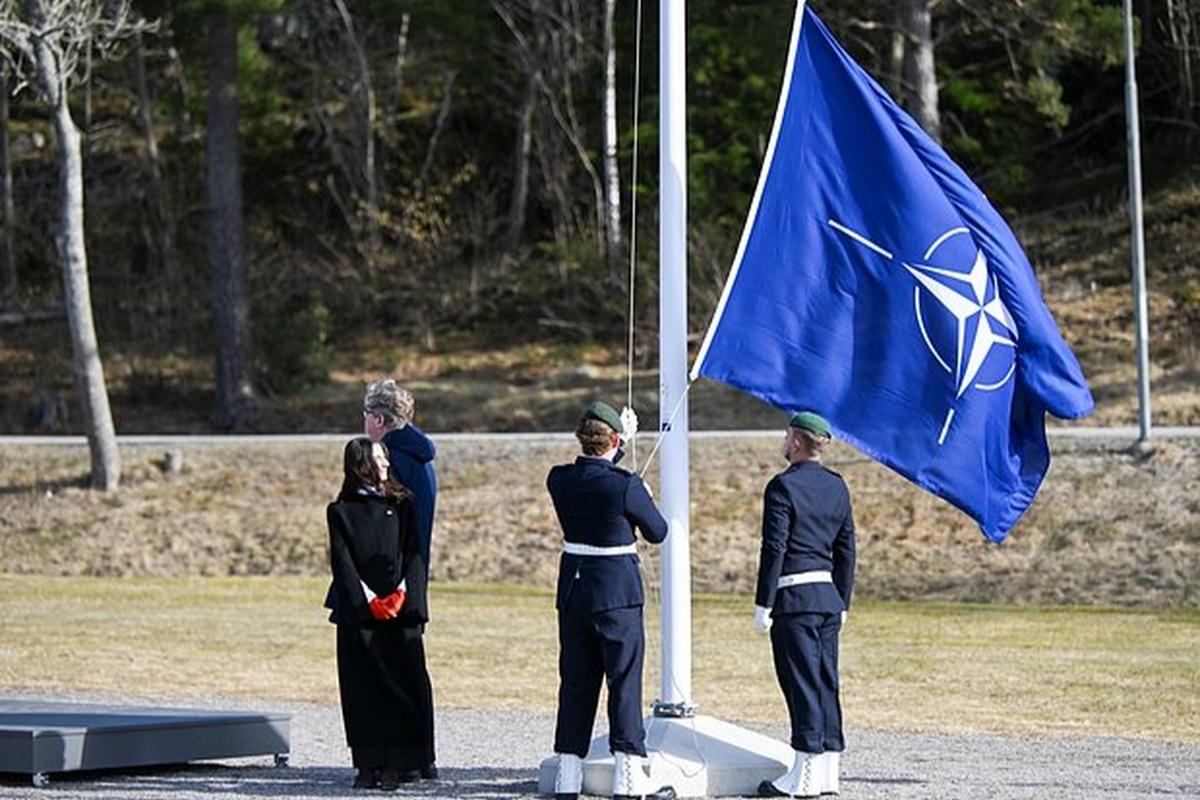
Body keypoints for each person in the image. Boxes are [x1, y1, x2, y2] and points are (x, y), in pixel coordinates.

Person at [546, 401, 676, 800]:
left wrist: (620, 453)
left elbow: (593, 473)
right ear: (614, 439)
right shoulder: (627, 486)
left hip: (574, 591)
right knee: (624, 682)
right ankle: (630, 776)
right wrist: (643, 494)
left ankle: (568, 775)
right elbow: (657, 532)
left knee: (576, 683)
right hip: (616, 594)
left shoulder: (559, 479)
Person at [325, 437, 436, 790]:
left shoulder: (402, 504)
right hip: (361, 612)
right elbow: (342, 562)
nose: (386, 463)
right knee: (363, 688)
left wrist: (403, 595)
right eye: (378, 458)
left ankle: (404, 762)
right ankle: (368, 762)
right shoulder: (340, 510)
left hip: (400, 608)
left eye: (385, 457)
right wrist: (367, 600)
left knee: (402, 684)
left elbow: (414, 554)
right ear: (361, 464)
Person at [755, 412, 856, 799]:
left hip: (794, 599)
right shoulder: (837, 486)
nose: (784, 441)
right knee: (826, 682)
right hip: (828, 598)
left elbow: (775, 547)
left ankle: (805, 776)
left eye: (787, 436)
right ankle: (827, 770)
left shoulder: (782, 487)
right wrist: (842, 599)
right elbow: (846, 548)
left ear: (797, 442)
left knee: (801, 684)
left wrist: (764, 601)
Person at [363, 379, 438, 575]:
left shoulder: (387, 460)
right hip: (412, 572)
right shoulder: (421, 458)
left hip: (387, 576)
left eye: (366, 415)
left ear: (378, 419)